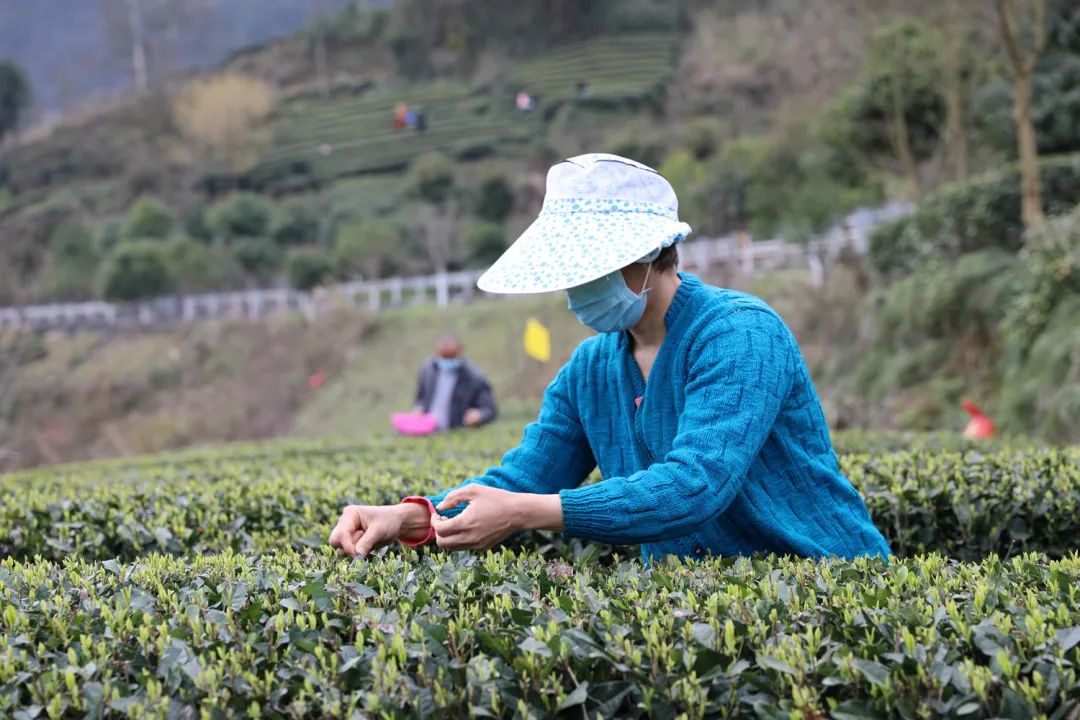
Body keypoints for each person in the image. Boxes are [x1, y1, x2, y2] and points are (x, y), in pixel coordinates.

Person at [330, 153, 892, 563]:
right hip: (705, 616)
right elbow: (521, 478)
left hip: (827, 589)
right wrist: (409, 517)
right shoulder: (590, 371)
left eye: (592, 265)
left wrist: (529, 511)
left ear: (648, 254)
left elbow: (694, 485)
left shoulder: (740, 335)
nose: (577, 285)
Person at [412, 333, 497, 432]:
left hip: (457, 432)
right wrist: (418, 408)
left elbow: (490, 410)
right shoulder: (428, 370)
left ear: (459, 352)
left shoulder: (475, 377)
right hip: (428, 431)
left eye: (451, 357)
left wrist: (479, 415)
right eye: (444, 356)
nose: (447, 361)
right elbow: (421, 398)